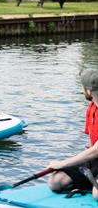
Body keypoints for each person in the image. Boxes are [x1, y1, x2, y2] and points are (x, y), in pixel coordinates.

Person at [47, 69, 98, 200]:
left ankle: (94, 186)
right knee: (55, 182)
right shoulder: (92, 108)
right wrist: (79, 159)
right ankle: (92, 183)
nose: (82, 91)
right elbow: (92, 145)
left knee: (97, 195)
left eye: (82, 88)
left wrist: (63, 163)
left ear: (88, 91)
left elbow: (96, 150)